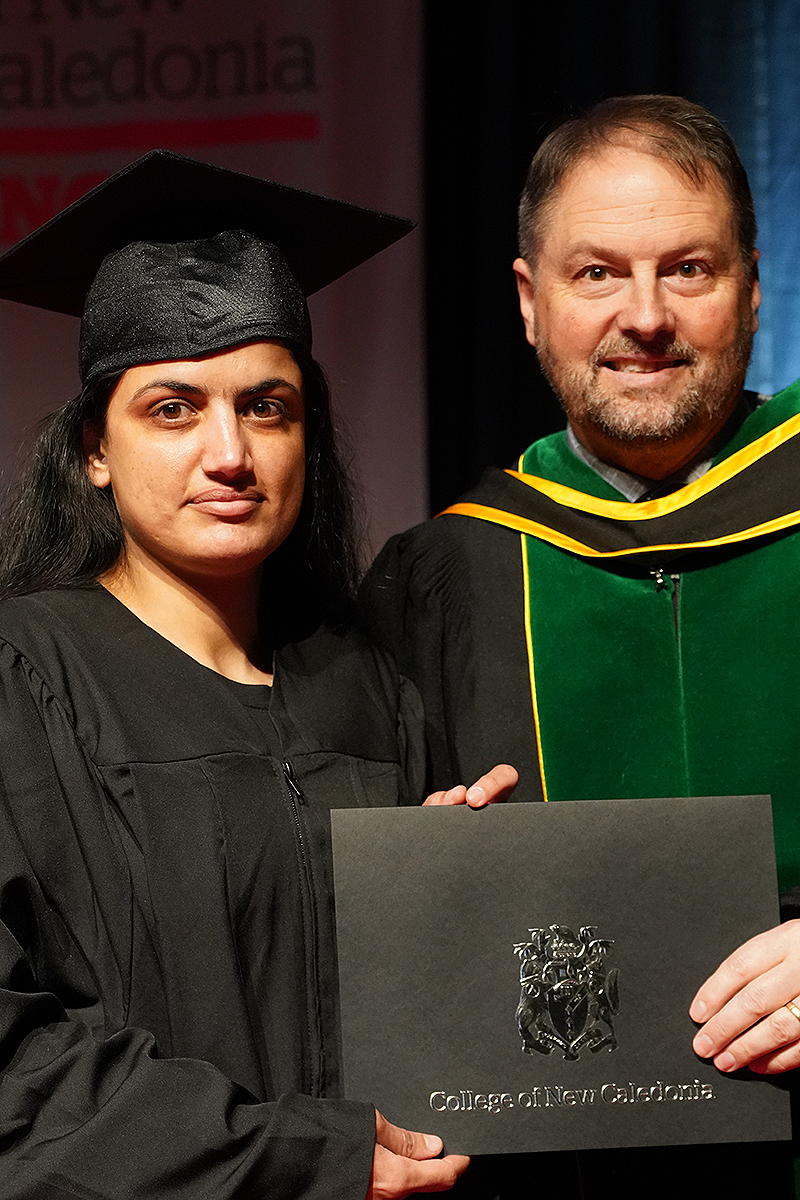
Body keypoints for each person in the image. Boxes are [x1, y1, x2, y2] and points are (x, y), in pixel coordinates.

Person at [0, 150, 516, 1199]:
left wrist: (454, 892)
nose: (229, 453)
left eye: (267, 406)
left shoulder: (367, 682)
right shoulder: (24, 680)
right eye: (173, 408)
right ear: (93, 448)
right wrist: (296, 1160)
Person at [364, 95, 800, 1196]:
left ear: (753, 286)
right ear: (529, 300)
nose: (644, 316)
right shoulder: (443, 579)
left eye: (688, 270)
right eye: (596, 272)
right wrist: (419, 891)